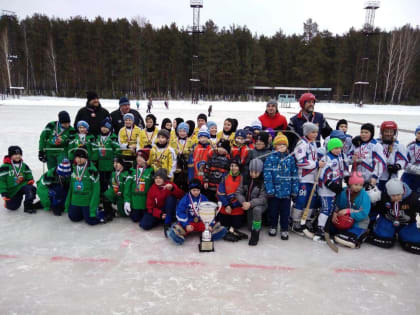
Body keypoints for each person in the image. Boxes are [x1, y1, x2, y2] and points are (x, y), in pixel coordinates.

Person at [168, 178, 227, 245]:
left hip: (201, 222)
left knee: (214, 228)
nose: (196, 192)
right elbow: (180, 212)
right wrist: (186, 225)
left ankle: (212, 233)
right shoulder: (185, 199)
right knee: (179, 227)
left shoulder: (204, 198)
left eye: (198, 190)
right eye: (194, 190)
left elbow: (209, 212)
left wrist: (210, 225)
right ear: (190, 190)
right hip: (189, 223)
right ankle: (177, 234)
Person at [369, 178, 420, 255]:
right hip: (387, 221)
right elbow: (374, 208)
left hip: (407, 224)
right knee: (383, 236)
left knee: (414, 239)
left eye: (398, 195)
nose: (396, 198)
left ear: (402, 192)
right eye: (393, 196)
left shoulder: (413, 198)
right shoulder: (383, 196)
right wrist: (371, 222)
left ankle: (404, 233)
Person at [291, 122, 325, 235]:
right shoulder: (302, 144)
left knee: (311, 201)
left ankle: (304, 221)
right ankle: (295, 222)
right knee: (301, 200)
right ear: (307, 132)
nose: (315, 134)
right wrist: (316, 164)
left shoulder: (313, 144)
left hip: (313, 179)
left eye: (316, 132)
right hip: (303, 178)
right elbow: (300, 162)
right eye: (313, 132)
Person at [264, 134, 299, 240]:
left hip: (286, 193)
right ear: (275, 146)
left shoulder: (290, 159)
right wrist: (270, 189)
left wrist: (294, 190)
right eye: (279, 145)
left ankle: (284, 229)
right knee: (273, 211)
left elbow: (294, 175)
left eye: (283, 145)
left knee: (285, 212)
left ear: (287, 146)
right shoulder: (270, 158)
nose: (281, 147)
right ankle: (273, 226)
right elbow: (267, 175)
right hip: (274, 192)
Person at [314, 138, 348, 242]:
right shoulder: (326, 158)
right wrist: (330, 184)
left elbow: (341, 171)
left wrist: (346, 178)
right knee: (326, 209)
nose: (338, 150)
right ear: (330, 148)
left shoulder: (339, 157)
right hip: (326, 189)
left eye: (340, 148)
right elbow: (323, 174)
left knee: (330, 210)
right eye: (336, 148)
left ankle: (326, 229)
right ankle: (319, 230)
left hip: (334, 189)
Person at [65, 147, 105, 225]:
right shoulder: (73, 169)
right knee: (73, 217)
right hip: (75, 200)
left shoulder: (92, 171)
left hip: (87, 201)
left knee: (91, 221)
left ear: (86, 158)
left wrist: (93, 207)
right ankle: (83, 213)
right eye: (77, 157)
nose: (79, 159)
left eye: (81, 157)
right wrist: (67, 204)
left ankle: (103, 212)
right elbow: (71, 189)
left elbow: (96, 191)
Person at [332, 171, 371, 249]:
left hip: (359, 220)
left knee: (355, 230)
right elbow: (336, 204)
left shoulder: (364, 195)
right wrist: (334, 213)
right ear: (350, 183)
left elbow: (364, 213)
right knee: (332, 227)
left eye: (361, 185)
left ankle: (358, 235)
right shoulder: (343, 192)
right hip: (344, 219)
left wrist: (349, 211)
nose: (358, 187)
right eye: (356, 184)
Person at [139, 168, 184, 233]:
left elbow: (182, 195)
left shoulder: (170, 184)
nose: (158, 180)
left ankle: (168, 221)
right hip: (159, 211)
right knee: (144, 225)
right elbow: (150, 207)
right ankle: (162, 219)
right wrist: (160, 214)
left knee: (170, 198)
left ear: (164, 179)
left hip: (170, 209)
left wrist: (172, 189)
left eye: (160, 178)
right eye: (156, 178)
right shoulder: (152, 189)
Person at [236, 159, 268, 246]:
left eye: (256, 172)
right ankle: (253, 226)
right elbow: (238, 192)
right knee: (249, 227)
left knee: (257, 210)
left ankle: (256, 233)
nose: (253, 174)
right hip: (247, 204)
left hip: (259, 205)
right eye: (251, 171)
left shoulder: (263, 181)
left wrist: (250, 203)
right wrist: (243, 202)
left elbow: (263, 198)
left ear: (260, 171)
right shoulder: (245, 178)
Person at [0, 146, 39, 213]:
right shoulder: (5, 167)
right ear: (10, 155)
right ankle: (8, 202)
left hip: (22, 186)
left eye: (19, 154)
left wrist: (30, 179)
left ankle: (28, 206)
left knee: (31, 189)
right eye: (15, 154)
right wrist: (3, 192)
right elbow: (1, 181)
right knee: (13, 207)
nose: (17, 156)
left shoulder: (24, 165)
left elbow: (28, 173)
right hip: (12, 190)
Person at [217, 157, 248, 242]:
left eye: (236, 166)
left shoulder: (243, 177)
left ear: (239, 167)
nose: (233, 168)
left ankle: (233, 231)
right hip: (226, 207)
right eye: (231, 165)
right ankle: (229, 232)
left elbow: (244, 194)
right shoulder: (225, 176)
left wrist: (233, 205)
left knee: (237, 225)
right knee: (224, 224)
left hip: (236, 207)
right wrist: (227, 205)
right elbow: (220, 192)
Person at [348, 123, 386, 187]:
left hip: (370, 180)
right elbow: (348, 158)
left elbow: (381, 162)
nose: (363, 134)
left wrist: (375, 177)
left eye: (366, 132)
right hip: (356, 180)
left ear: (371, 133)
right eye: (362, 132)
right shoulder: (356, 144)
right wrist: (352, 158)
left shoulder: (376, 146)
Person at [91, 118, 120, 195]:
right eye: (102, 127)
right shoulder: (97, 138)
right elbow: (94, 150)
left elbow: (117, 149)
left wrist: (115, 160)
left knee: (110, 182)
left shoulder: (112, 138)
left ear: (110, 128)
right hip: (100, 164)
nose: (104, 129)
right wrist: (94, 160)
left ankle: (109, 198)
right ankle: (102, 197)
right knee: (101, 182)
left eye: (106, 127)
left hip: (110, 164)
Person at [376, 121, 408, 192]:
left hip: (391, 178)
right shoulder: (376, 144)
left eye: (391, 132)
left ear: (394, 133)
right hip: (376, 178)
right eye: (386, 131)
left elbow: (403, 160)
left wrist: (397, 166)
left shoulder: (399, 146)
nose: (389, 134)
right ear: (382, 132)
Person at [124, 149, 154, 222]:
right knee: (135, 219)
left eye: (141, 157)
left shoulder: (151, 170)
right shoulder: (132, 170)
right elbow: (127, 187)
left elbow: (153, 187)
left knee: (145, 220)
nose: (138, 159)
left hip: (145, 201)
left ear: (146, 159)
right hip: (135, 201)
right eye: (137, 157)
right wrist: (127, 201)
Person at [170, 122, 194, 191]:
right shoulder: (173, 141)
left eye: (184, 131)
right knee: (176, 185)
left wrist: (185, 151)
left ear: (187, 132)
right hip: (176, 167)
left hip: (186, 168)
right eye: (180, 131)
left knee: (185, 185)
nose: (182, 133)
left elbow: (192, 152)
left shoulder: (191, 142)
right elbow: (171, 152)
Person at [401, 125, 420, 193]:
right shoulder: (410, 146)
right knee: (405, 194)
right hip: (408, 175)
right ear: (415, 134)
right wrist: (414, 169)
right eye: (419, 133)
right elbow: (404, 161)